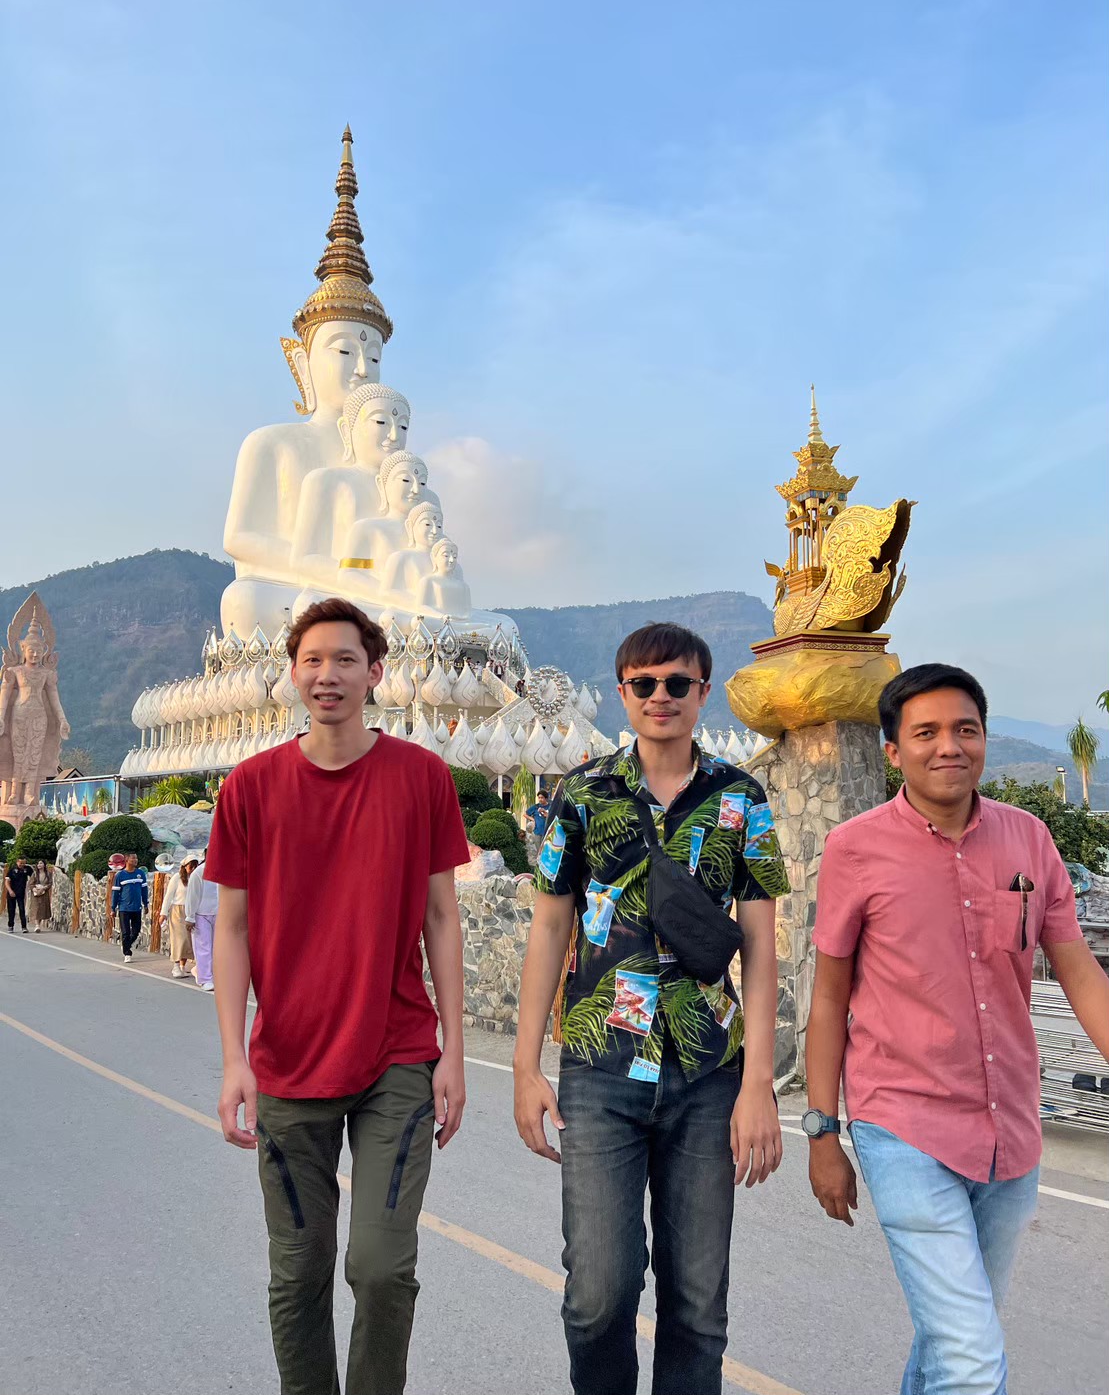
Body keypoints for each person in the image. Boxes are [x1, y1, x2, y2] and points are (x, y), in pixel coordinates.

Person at [806, 663, 1109, 1395]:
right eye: (927, 732)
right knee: (971, 1355)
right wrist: (821, 1132)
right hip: (901, 1123)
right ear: (893, 751)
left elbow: (1078, 972)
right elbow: (828, 998)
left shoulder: (1029, 839)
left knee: (955, 1338)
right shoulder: (855, 848)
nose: (949, 745)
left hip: (1009, 1125)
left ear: (984, 738)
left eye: (964, 729)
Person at [513, 622, 789, 1395]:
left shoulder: (739, 799)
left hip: (708, 1073)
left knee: (697, 1304)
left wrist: (758, 1084)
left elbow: (760, 946)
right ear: (622, 692)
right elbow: (549, 927)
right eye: (644, 683)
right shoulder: (582, 794)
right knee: (598, 1291)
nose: (660, 695)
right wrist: (525, 1065)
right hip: (600, 1068)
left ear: (702, 691)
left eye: (676, 683)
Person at [206, 596, 470, 1395]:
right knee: (299, 1270)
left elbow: (441, 915)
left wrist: (454, 1051)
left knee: (381, 1265)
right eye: (313, 660)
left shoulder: (420, 776)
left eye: (345, 659)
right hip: (288, 1061)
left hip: (397, 1053)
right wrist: (233, 1058)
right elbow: (231, 928)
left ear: (375, 672)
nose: (328, 674)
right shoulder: (250, 787)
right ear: (292, 673)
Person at [185, 852, 219, 991]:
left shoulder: (223, 870)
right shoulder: (199, 872)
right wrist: (190, 917)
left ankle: (209, 973)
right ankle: (205, 979)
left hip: (218, 913)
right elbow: (192, 895)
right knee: (204, 947)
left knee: (217, 948)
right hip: (201, 914)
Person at [161, 858, 197, 977]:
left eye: (195, 866)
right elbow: (168, 896)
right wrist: (163, 913)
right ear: (185, 866)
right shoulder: (177, 878)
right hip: (178, 911)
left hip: (191, 911)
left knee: (188, 940)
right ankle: (176, 966)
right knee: (179, 939)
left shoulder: (195, 878)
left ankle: (182, 966)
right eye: (191, 866)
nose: (193, 869)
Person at [111, 853, 149, 961]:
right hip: (124, 909)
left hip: (137, 908)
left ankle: (126, 944)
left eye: (136, 858)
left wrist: (146, 904)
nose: (136, 860)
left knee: (136, 931)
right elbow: (115, 893)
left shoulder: (140, 874)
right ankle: (127, 953)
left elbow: (144, 890)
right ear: (127, 860)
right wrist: (113, 908)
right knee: (125, 932)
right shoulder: (120, 875)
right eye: (133, 858)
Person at [6, 857, 32, 933]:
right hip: (12, 893)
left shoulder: (27, 869)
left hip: (21, 893)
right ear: (17, 862)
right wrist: (10, 891)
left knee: (22, 910)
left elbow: (34, 877)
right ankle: (10, 926)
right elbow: (7, 882)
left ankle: (24, 927)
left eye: (24, 863)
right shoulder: (12, 870)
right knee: (11, 910)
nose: (22, 864)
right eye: (21, 863)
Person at [30, 859, 53, 931]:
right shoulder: (34, 874)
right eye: (38, 863)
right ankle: (37, 925)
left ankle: (38, 925)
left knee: (42, 910)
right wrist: (34, 889)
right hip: (36, 894)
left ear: (44, 865)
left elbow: (50, 883)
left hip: (44, 893)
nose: (39, 865)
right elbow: (31, 883)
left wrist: (44, 888)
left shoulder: (48, 874)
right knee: (36, 909)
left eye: (41, 863)